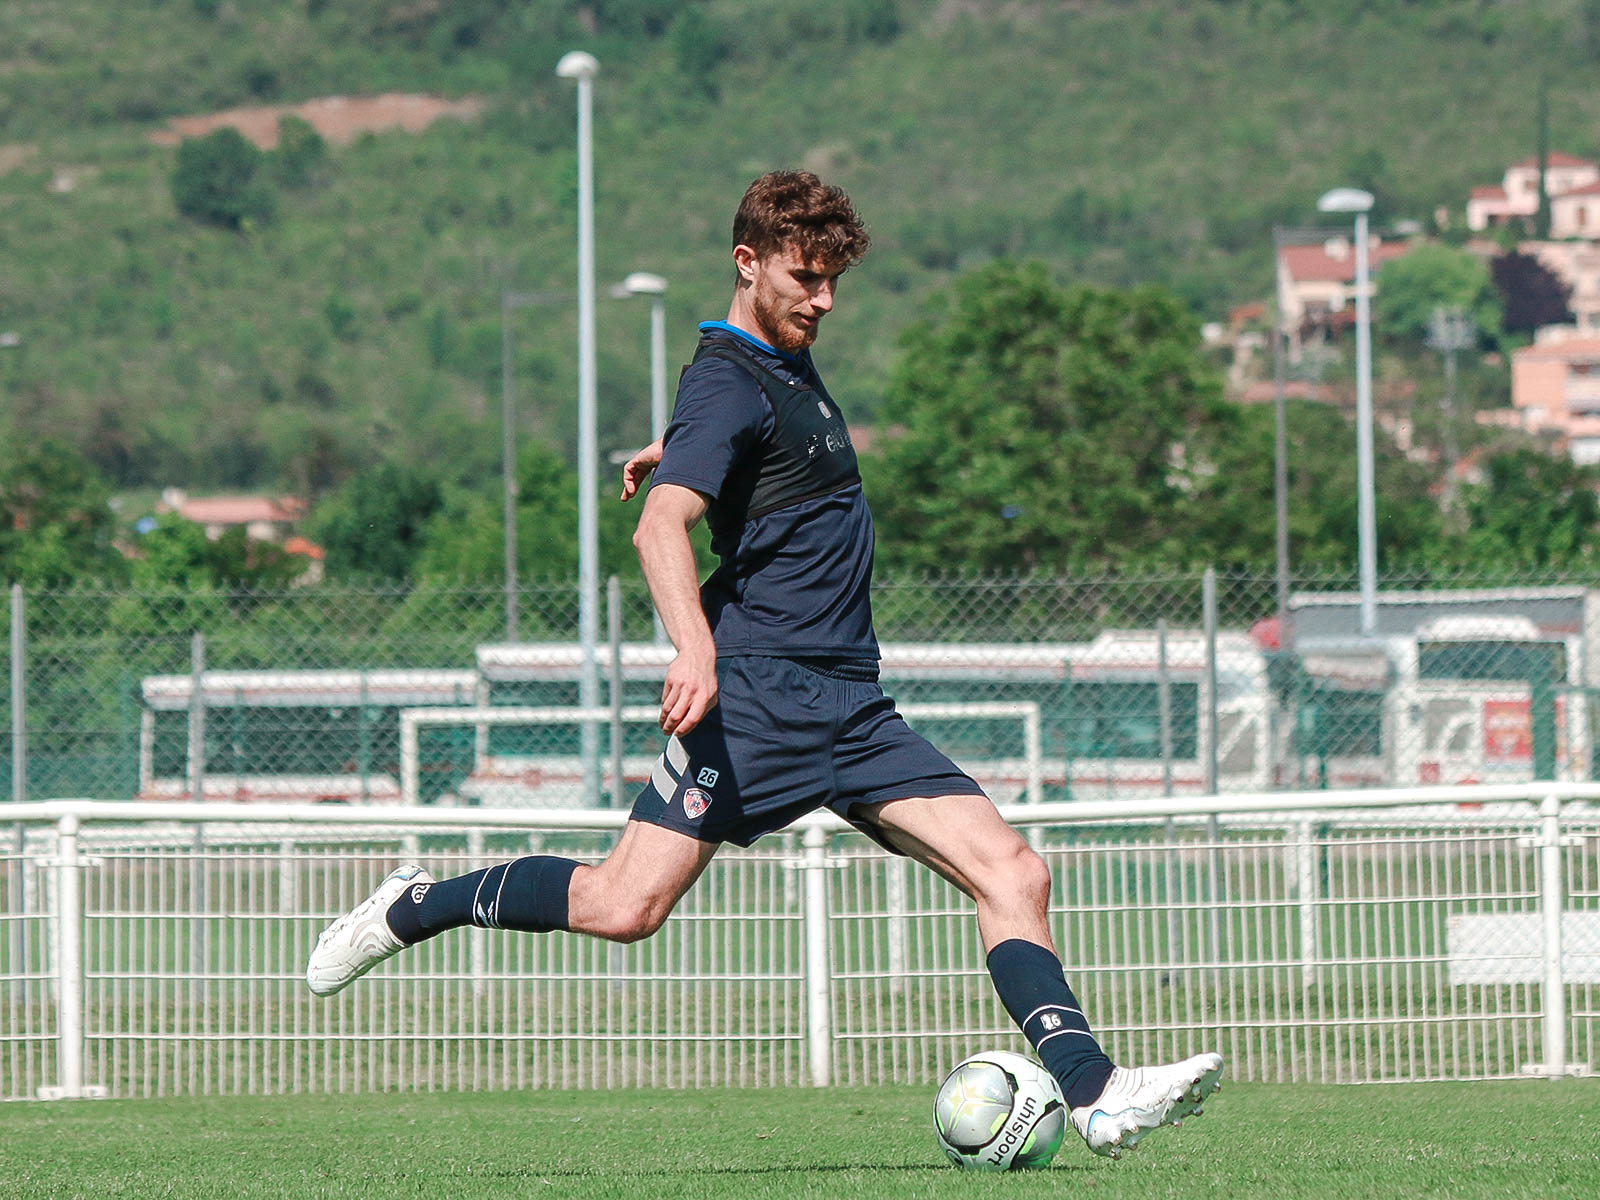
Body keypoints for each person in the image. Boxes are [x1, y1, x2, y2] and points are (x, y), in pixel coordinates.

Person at [306, 169, 1222, 1159]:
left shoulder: (774, 365)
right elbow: (662, 528)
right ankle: (417, 903)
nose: (822, 300)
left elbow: (747, 444)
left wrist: (685, 446)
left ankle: (1092, 1095)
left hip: (847, 706)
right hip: (750, 699)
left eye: (833, 282)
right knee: (624, 907)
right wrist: (693, 648)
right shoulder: (727, 375)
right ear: (747, 263)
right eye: (804, 277)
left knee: (1013, 869)